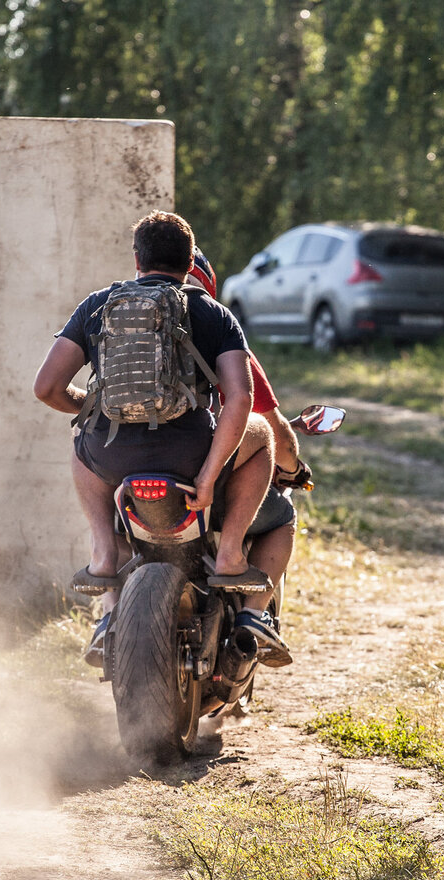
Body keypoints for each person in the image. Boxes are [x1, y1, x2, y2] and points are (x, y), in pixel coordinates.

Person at [32, 211, 285, 666]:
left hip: (113, 458)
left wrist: (94, 411)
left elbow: (46, 388)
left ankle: (103, 553)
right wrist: (207, 478)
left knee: (81, 441)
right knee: (263, 435)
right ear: (191, 264)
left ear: (136, 259)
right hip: (189, 455)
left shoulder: (96, 305)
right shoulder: (211, 312)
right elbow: (241, 399)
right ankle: (229, 556)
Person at [189, 247, 304, 668]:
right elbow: (271, 427)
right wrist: (293, 469)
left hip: (138, 472)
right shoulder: (223, 331)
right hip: (210, 484)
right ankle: (254, 613)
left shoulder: (122, 330)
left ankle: (109, 612)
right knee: (282, 517)